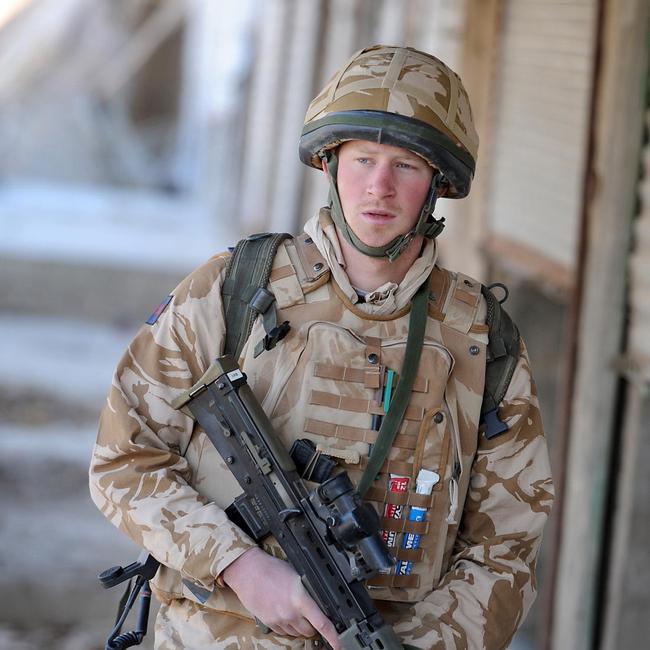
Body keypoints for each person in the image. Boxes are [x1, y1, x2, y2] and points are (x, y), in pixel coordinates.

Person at [89, 44, 554, 649]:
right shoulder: (236, 288)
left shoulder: (482, 340)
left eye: (406, 166)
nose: (379, 189)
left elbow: (508, 549)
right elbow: (123, 460)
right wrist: (240, 566)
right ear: (331, 165)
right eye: (364, 160)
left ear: (437, 183)